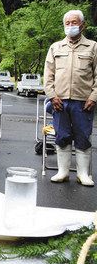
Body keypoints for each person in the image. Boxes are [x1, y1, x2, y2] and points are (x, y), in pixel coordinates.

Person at [44, 10, 96, 187]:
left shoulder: (93, 47)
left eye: (74, 23)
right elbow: (48, 75)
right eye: (67, 23)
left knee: (83, 136)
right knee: (62, 136)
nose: (71, 26)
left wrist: (94, 97)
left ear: (83, 25)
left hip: (84, 101)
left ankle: (83, 174)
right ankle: (63, 172)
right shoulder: (55, 47)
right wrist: (52, 96)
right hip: (60, 101)